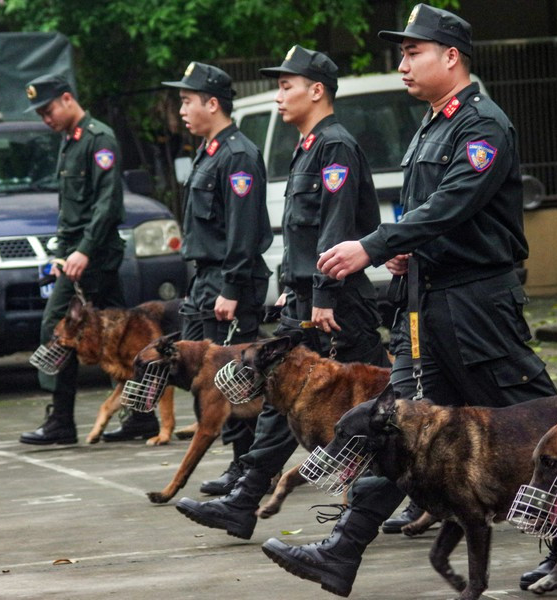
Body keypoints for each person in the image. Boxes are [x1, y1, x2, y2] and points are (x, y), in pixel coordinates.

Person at [265, 5, 557, 597]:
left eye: (413, 52)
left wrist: (372, 246)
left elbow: (452, 206)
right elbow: (430, 218)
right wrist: (405, 254)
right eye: (401, 53)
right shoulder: (431, 124)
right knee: (393, 426)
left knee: (546, 428)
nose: (402, 63)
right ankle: (341, 554)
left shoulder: (483, 125)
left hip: (476, 308)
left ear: (451, 57)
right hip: (427, 304)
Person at [175, 45, 390, 540]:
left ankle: (393, 500)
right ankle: (245, 499)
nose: (278, 95)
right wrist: (292, 289)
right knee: (281, 397)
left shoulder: (334, 146)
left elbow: (334, 229)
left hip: (334, 304)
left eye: (286, 85)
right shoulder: (310, 145)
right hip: (307, 298)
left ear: (316, 91)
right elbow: (301, 232)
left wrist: (322, 294)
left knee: (376, 402)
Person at [112, 62, 272, 494]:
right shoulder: (210, 150)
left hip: (228, 282)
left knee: (232, 377)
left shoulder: (237, 154)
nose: (181, 110)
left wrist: (232, 288)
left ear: (213, 103)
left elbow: (243, 231)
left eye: (187, 101)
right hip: (207, 281)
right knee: (212, 378)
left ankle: (247, 468)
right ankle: (241, 466)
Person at [19, 74, 126, 445]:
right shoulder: (70, 142)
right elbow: (70, 211)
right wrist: (60, 254)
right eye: (40, 114)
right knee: (124, 330)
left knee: (58, 326)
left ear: (67, 99)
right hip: (79, 253)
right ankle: (141, 412)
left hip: (94, 255)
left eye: (48, 110)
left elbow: (107, 205)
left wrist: (82, 250)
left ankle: (61, 420)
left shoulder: (99, 140)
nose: (45, 119)